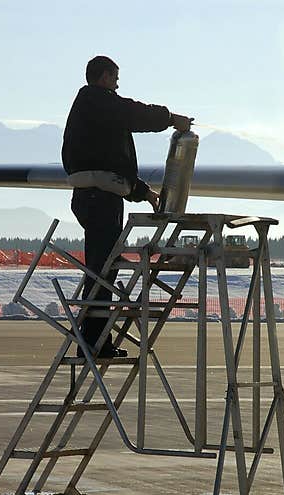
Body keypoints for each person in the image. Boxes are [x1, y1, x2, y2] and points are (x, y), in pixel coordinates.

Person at [62, 55, 192, 358]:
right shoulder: (98, 101)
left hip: (96, 195)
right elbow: (131, 114)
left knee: (102, 267)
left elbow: (110, 165)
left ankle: (93, 338)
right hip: (99, 199)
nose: (117, 84)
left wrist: (143, 192)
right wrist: (170, 119)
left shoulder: (93, 110)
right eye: (115, 77)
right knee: (102, 269)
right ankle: (94, 342)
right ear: (104, 77)